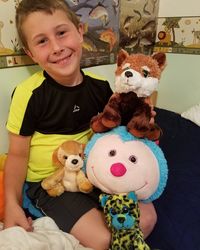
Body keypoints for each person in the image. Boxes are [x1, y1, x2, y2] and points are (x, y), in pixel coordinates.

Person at [3, 0, 157, 249]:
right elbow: (18, 155)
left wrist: (142, 119)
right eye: (42, 41)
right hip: (51, 185)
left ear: (80, 31)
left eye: (62, 33)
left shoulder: (100, 87)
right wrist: (11, 203)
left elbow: (115, 132)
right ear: (31, 53)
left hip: (95, 173)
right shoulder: (28, 94)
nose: (56, 47)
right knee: (103, 238)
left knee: (147, 217)